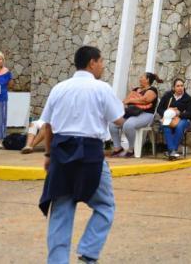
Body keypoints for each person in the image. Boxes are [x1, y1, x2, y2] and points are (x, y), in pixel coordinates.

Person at [39, 45, 125, 264]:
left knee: (61, 210)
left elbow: (48, 125)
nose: (103, 66)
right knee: (105, 205)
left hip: (61, 152)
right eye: (102, 61)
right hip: (90, 154)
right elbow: (118, 119)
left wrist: (48, 155)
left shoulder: (59, 88)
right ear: (92, 63)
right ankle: (88, 253)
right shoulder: (101, 88)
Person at [109, 72, 160, 157]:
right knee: (112, 124)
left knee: (128, 125)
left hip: (146, 114)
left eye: (142, 77)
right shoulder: (136, 89)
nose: (140, 78)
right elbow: (126, 100)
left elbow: (145, 100)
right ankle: (117, 148)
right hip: (132, 112)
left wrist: (131, 101)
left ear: (147, 80)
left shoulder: (152, 90)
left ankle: (131, 148)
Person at [156, 78, 191, 160]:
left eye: (182, 86)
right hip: (169, 118)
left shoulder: (187, 98)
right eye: (178, 86)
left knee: (180, 126)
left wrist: (179, 113)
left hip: (182, 119)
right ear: (174, 87)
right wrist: (168, 112)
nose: (180, 88)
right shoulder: (167, 96)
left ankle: (171, 151)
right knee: (166, 125)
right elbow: (159, 109)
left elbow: (190, 114)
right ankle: (173, 151)